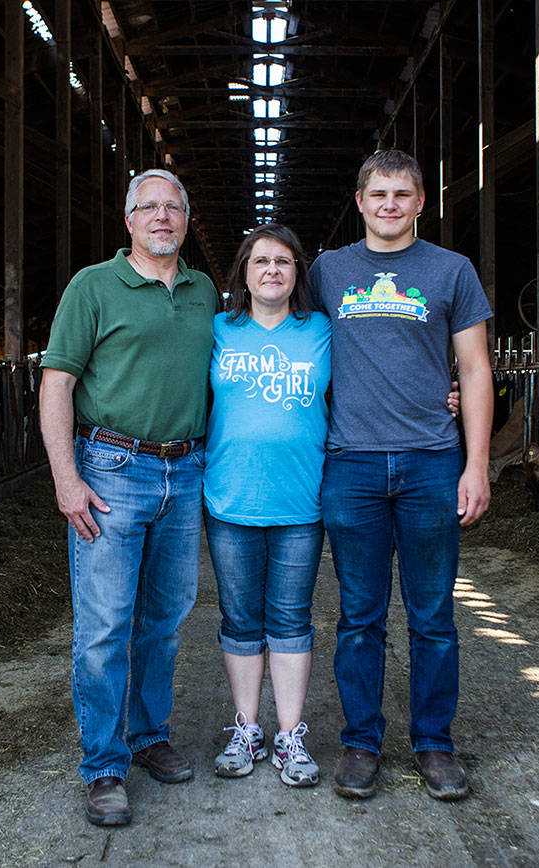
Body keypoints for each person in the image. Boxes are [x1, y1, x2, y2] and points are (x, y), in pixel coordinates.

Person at [308, 149, 493, 802]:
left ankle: (434, 744)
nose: (389, 205)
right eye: (377, 194)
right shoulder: (327, 271)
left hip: (430, 464)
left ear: (421, 202)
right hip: (351, 463)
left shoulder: (451, 271)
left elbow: (473, 369)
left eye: (402, 194)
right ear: (359, 202)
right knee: (359, 615)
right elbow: (292, 337)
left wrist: (476, 464)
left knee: (433, 614)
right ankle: (361, 742)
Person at [39, 168, 218, 827]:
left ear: (186, 219)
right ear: (129, 220)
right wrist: (66, 478)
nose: (163, 217)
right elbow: (57, 382)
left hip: (186, 469)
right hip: (112, 467)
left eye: (174, 207)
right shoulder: (92, 287)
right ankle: (105, 766)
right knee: (105, 624)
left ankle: (148, 737)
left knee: (165, 617)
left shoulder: (204, 292)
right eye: (150, 208)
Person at [203, 224, 331, 787]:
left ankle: (290, 736)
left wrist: (440, 395)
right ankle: (246, 728)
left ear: (298, 272)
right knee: (240, 620)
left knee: (290, 620)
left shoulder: (323, 331)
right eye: (261, 262)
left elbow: (380, 371)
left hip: (301, 502)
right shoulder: (217, 331)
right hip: (230, 499)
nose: (273, 270)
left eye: (284, 261)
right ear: (244, 273)